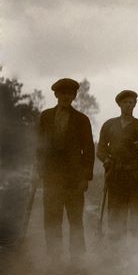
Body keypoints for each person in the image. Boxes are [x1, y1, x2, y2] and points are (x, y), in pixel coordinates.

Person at [36, 78, 94, 262]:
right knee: (52, 219)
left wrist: (86, 176)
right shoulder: (45, 117)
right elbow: (40, 146)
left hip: (74, 179)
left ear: (74, 96)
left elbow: (89, 150)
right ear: (56, 95)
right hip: (52, 177)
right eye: (63, 93)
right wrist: (39, 169)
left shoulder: (82, 120)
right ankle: (54, 257)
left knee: (75, 219)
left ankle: (77, 258)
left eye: (70, 94)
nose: (66, 97)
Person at [97, 90, 138, 250]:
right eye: (125, 102)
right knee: (116, 216)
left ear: (135, 105)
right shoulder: (109, 125)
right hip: (116, 176)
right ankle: (115, 252)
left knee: (136, 217)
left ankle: (135, 254)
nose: (128, 105)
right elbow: (101, 149)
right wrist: (106, 160)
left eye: (132, 102)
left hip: (136, 178)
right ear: (119, 104)